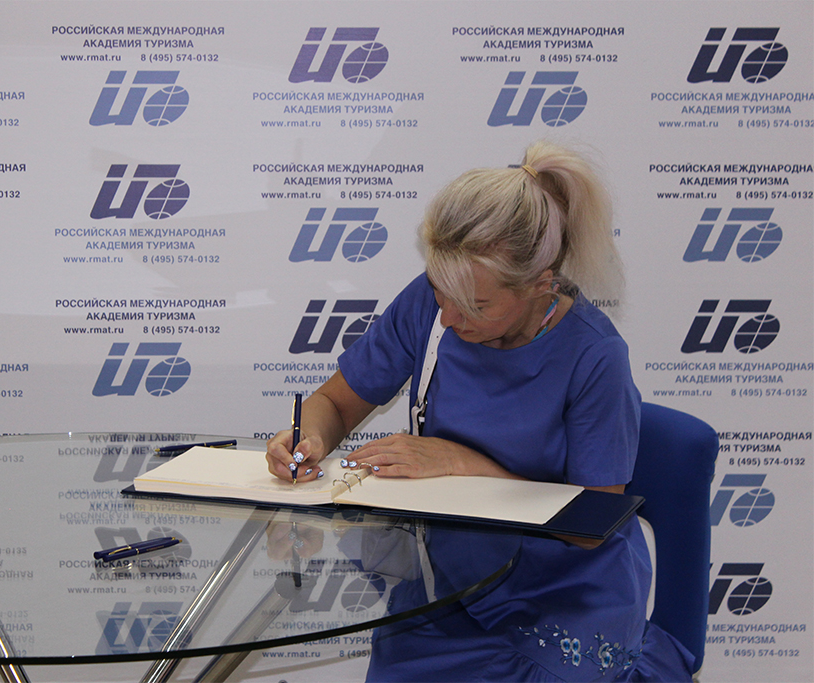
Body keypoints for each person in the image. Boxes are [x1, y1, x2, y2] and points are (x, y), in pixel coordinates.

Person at [266, 141, 695, 681]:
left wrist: (462, 463)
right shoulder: (430, 305)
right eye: (440, 291)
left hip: (565, 599)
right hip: (447, 585)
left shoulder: (594, 355)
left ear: (541, 285)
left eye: (475, 305)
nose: (447, 316)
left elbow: (590, 526)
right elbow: (333, 403)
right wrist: (308, 438)